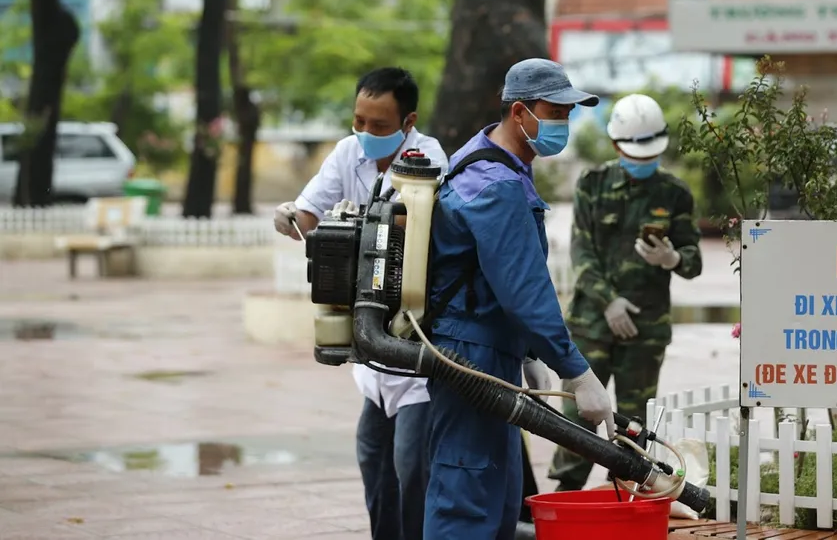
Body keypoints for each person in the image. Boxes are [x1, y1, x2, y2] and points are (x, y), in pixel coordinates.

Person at [423, 58, 616, 539]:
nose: (562, 125)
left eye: (568, 115)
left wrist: (526, 353)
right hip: (472, 355)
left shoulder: (479, 158)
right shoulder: (498, 186)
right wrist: (577, 371)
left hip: (486, 351)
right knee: (466, 502)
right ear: (519, 113)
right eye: (554, 112)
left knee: (496, 497)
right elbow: (525, 292)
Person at [273, 67, 447, 540]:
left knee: (412, 468)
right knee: (374, 461)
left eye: (379, 125)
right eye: (359, 121)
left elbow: (424, 232)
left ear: (408, 121)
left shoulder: (428, 160)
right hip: (369, 343)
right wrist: (291, 217)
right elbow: (308, 213)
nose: (366, 133)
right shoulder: (348, 153)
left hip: (414, 342)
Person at [547, 92, 703, 492]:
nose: (644, 160)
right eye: (636, 152)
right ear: (617, 145)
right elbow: (582, 255)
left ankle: (624, 497)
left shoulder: (674, 193)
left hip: (645, 332)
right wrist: (609, 302)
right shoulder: (593, 185)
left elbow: (694, 259)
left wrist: (672, 259)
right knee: (576, 419)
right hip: (591, 326)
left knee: (634, 427)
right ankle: (565, 498)